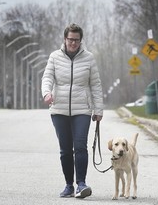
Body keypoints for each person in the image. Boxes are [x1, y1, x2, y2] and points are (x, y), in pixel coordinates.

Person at [41, 23, 104, 199]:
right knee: (65, 150)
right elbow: (47, 77)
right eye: (70, 39)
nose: (73, 43)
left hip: (82, 110)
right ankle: (69, 185)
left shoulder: (89, 58)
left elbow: (96, 85)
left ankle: (81, 184)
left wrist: (98, 109)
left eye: (76, 40)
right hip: (59, 109)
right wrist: (47, 93)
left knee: (80, 146)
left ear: (80, 40)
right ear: (65, 39)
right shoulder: (54, 57)